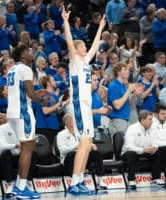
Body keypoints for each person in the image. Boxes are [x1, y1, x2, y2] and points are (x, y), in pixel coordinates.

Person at [62, 6, 105, 195]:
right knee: (83, 144)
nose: (84, 48)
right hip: (78, 103)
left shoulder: (86, 61)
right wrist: (65, 22)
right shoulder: (75, 61)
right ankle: (74, 182)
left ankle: (79, 180)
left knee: (87, 144)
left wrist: (101, 28)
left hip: (86, 106)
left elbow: (95, 46)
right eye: (82, 46)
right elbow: (70, 43)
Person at [6, 45, 47, 199]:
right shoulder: (25, 69)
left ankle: (18, 185)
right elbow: (29, 93)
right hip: (23, 113)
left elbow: (22, 92)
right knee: (28, 148)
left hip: (13, 113)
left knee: (26, 147)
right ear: (22, 54)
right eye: (29, 51)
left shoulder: (12, 69)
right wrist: (41, 99)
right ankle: (21, 187)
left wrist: (36, 93)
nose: (31, 53)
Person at [57, 114, 108, 190]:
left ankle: (100, 180)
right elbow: (62, 150)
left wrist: (91, 144)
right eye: (72, 119)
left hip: (82, 156)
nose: (75, 121)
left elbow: (85, 144)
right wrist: (75, 147)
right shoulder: (61, 134)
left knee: (96, 153)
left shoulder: (79, 133)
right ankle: (75, 182)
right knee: (74, 154)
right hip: (67, 158)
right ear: (67, 122)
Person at [121, 110, 162, 189]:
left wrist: (154, 147)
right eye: (150, 119)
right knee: (131, 153)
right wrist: (142, 149)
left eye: (152, 119)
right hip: (128, 153)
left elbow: (156, 141)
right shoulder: (132, 128)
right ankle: (131, 180)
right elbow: (129, 146)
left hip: (145, 151)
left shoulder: (152, 128)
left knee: (157, 151)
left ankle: (156, 178)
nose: (152, 122)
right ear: (142, 120)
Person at [152, 103, 166, 185]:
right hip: (157, 147)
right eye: (162, 114)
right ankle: (161, 177)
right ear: (156, 114)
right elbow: (154, 140)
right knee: (162, 149)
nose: (165, 116)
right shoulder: (151, 122)